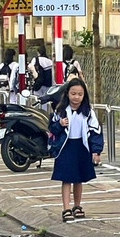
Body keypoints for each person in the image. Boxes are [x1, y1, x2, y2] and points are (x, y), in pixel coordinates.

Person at [48, 79, 103, 223]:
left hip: (81, 147)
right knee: (66, 178)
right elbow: (51, 129)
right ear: (67, 94)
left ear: (84, 95)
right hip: (65, 147)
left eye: (80, 94)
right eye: (73, 93)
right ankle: (66, 208)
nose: (76, 97)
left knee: (79, 179)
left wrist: (96, 151)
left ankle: (77, 206)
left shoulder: (88, 113)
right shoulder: (60, 111)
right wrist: (59, 124)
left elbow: (95, 131)